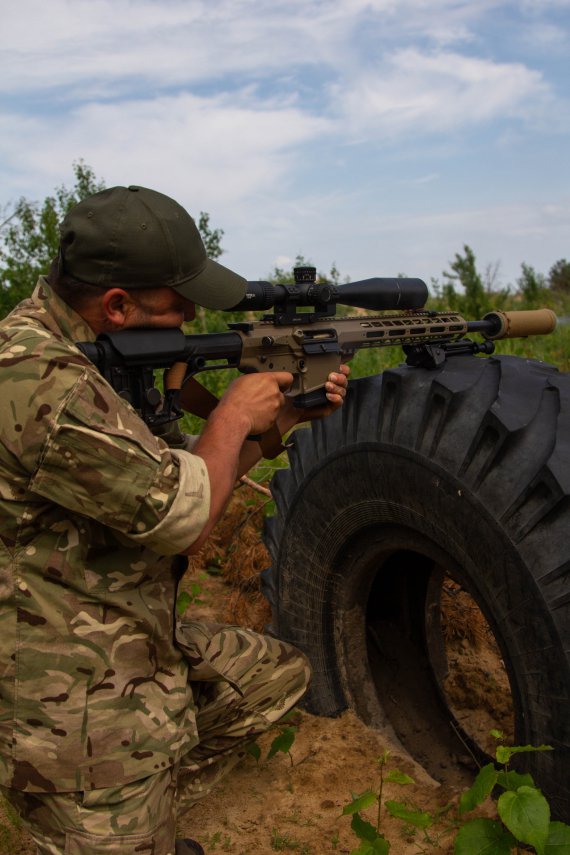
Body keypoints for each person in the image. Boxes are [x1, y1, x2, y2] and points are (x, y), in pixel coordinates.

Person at [0, 185, 349, 855]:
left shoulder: (77, 346)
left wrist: (282, 418)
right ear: (118, 305)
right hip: (59, 699)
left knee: (271, 674)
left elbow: (181, 478)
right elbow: (182, 517)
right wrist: (229, 415)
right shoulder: (45, 380)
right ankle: (94, 815)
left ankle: (142, 808)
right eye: (177, 303)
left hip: (117, 627)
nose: (192, 316)